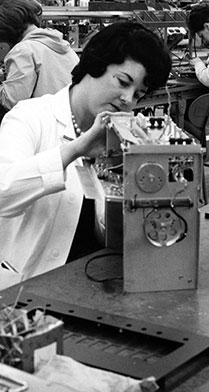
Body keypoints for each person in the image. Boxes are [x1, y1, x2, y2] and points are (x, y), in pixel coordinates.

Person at [0, 22, 172, 289]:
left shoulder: (119, 137)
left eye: (139, 94)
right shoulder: (30, 117)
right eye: (123, 81)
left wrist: (144, 168)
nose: (128, 99)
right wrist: (75, 150)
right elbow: (3, 191)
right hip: (31, 287)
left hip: (93, 286)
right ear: (95, 64)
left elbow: (117, 234)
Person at [0, 0, 79, 120]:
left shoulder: (23, 50)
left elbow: (12, 101)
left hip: (44, 126)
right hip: (68, 122)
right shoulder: (62, 45)